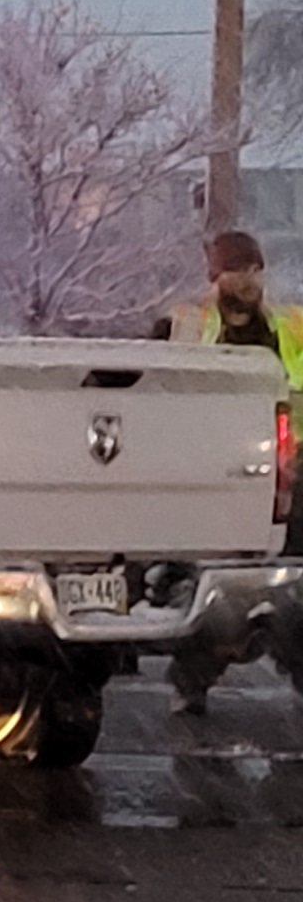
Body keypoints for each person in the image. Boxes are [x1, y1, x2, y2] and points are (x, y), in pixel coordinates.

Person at [161, 230, 303, 715]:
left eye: (253, 269)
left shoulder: (292, 326)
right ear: (216, 275)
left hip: (288, 475)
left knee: (291, 586)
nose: (247, 278)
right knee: (220, 582)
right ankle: (192, 678)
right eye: (237, 268)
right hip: (217, 474)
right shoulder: (185, 325)